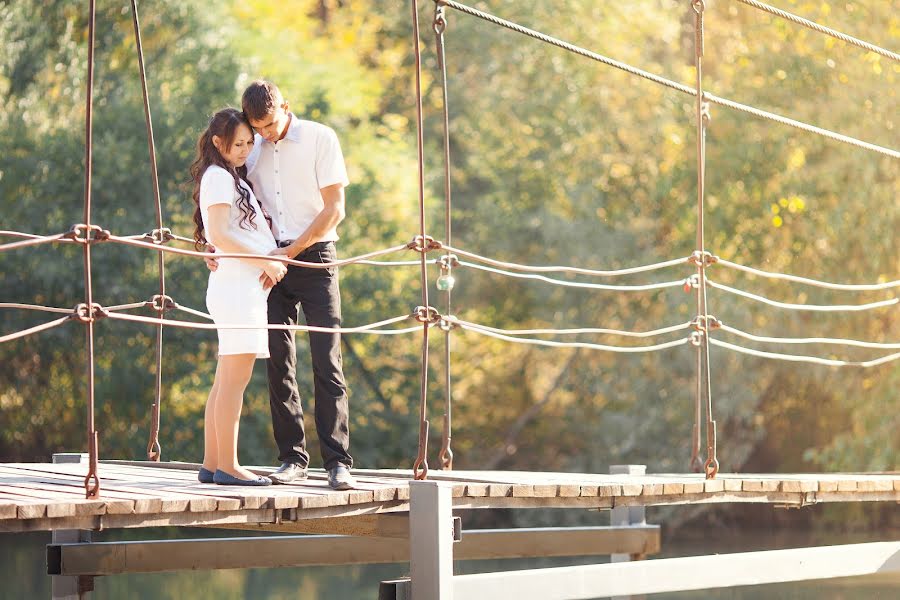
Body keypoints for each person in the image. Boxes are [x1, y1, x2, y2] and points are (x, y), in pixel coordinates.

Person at [207, 81, 356, 490]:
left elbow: (335, 209)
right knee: (278, 363)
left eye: (271, 125)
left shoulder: (321, 138)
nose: (266, 134)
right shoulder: (248, 145)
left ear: (287, 107)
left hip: (315, 256)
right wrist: (209, 241)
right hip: (268, 265)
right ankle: (292, 458)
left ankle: (338, 461)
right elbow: (223, 199)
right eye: (259, 128)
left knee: (327, 359)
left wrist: (289, 254)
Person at [191, 107, 287, 486]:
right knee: (234, 380)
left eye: (250, 143)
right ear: (218, 143)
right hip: (236, 289)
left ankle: (212, 462)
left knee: (225, 378)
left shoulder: (228, 176)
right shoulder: (218, 177)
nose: (245, 150)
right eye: (238, 144)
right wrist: (267, 259)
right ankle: (229, 466)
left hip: (240, 287)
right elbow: (220, 234)